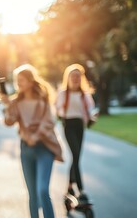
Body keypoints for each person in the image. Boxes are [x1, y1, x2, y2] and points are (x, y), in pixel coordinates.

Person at [0, 64, 63, 218]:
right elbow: (9, 122)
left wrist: (35, 136)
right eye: (16, 80)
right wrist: (8, 105)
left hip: (44, 147)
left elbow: (49, 121)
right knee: (32, 194)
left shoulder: (43, 99)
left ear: (30, 81)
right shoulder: (16, 102)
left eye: (21, 80)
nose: (18, 83)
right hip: (26, 149)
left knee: (42, 190)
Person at [55, 63, 95, 203]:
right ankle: (81, 190)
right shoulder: (63, 93)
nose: (76, 78)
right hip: (68, 126)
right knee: (76, 155)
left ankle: (69, 187)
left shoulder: (85, 95)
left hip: (80, 126)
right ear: (68, 77)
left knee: (76, 157)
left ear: (81, 78)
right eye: (73, 76)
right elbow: (58, 109)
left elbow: (90, 109)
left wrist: (91, 117)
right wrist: (61, 111)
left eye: (78, 76)